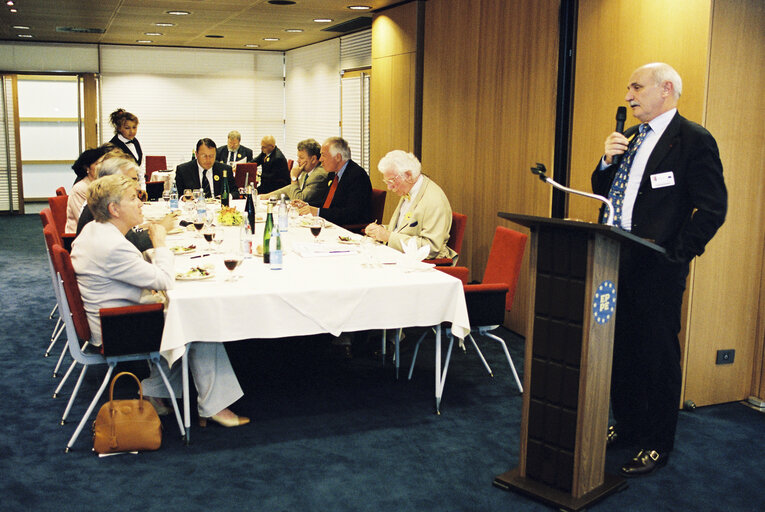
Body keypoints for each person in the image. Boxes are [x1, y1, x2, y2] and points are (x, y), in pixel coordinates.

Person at [592, 62, 727, 477]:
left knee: (656, 355)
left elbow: (712, 207)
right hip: (614, 259)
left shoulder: (693, 140)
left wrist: (678, 254)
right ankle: (628, 425)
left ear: (666, 89)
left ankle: (656, 442)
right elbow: (605, 192)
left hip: (658, 266)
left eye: (637, 87)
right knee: (621, 352)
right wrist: (604, 160)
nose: (629, 95)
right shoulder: (630, 138)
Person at [71, 174, 249, 428]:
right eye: (133, 198)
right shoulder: (112, 246)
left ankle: (157, 390)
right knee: (197, 317)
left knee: (175, 308)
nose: (141, 202)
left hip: (109, 316)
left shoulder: (94, 230)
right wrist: (160, 241)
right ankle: (214, 406)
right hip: (118, 328)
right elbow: (165, 280)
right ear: (114, 209)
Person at [365, 150, 456, 260]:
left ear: (408, 175)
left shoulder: (433, 200)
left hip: (423, 265)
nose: (389, 187)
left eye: (391, 181)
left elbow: (431, 248)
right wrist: (381, 230)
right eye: (387, 182)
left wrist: (388, 236)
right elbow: (403, 229)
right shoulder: (410, 190)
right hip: (399, 255)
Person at [76, 156, 173, 252]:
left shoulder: (102, 200)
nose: (137, 186)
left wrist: (141, 227)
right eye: (132, 180)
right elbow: (133, 244)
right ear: (113, 180)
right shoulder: (101, 207)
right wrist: (162, 229)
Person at [294, 137, 372, 226]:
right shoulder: (332, 174)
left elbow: (352, 214)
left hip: (348, 230)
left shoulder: (357, 176)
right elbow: (328, 202)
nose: (320, 159)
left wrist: (318, 212)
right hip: (331, 224)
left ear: (338, 157)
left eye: (324, 155)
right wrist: (307, 205)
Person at [262, 138, 329, 206]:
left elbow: (299, 200)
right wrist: (268, 196)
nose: (298, 161)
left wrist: (294, 178)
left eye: (301, 158)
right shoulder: (306, 171)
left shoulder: (319, 175)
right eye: (298, 157)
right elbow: (290, 189)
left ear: (313, 159)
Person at [65, 145, 111, 233]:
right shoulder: (80, 188)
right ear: (87, 168)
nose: (101, 167)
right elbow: (83, 219)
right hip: (78, 236)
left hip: (96, 230)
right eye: (97, 164)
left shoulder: (99, 184)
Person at [175, 138, 240, 200]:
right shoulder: (183, 170)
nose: (208, 160)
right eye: (204, 156)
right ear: (196, 154)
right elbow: (177, 195)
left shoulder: (225, 170)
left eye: (211, 156)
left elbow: (235, 192)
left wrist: (227, 196)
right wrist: (184, 198)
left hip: (219, 208)